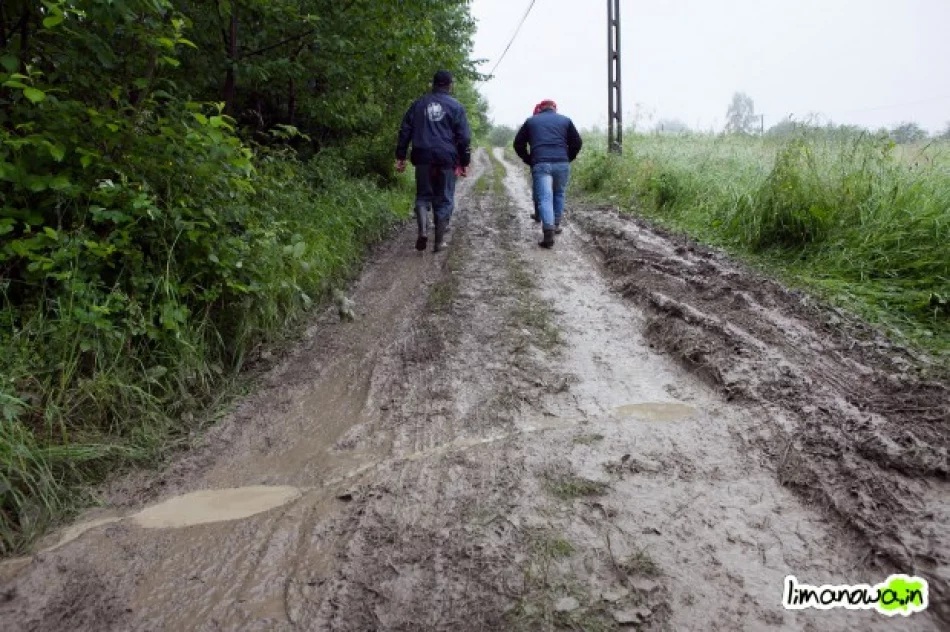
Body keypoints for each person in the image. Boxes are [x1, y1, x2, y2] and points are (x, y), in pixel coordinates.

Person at [395, 70, 472, 253]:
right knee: (444, 199)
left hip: (422, 156)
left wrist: (400, 156)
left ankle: (423, 231)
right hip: (447, 157)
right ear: (450, 85)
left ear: (433, 83)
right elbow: (464, 137)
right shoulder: (456, 107)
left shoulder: (418, 104)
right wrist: (464, 161)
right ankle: (438, 242)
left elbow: (405, 130)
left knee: (423, 196)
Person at [513, 99, 583, 248]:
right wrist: (567, 158)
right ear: (554, 108)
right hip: (562, 163)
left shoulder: (531, 121)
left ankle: (548, 232)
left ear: (540, 109)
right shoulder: (566, 120)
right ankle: (556, 225)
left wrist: (528, 159)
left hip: (541, 163)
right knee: (559, 194)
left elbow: (518, 143)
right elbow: (577, 143)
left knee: (545, 197)